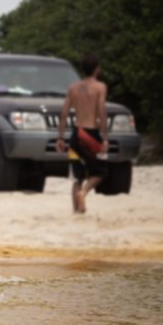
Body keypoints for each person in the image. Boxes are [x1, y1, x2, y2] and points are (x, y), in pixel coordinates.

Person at [56, 54, 109, 214]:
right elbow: (101, 112)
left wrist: (60, 138)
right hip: (90, 134)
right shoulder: (100, 87)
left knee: (77, 176)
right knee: (100, 172)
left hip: (75, 134)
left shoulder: (73, 87)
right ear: (97, 69)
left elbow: (64, 113)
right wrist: (105, 138)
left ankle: (77, 212)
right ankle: (84, 193)